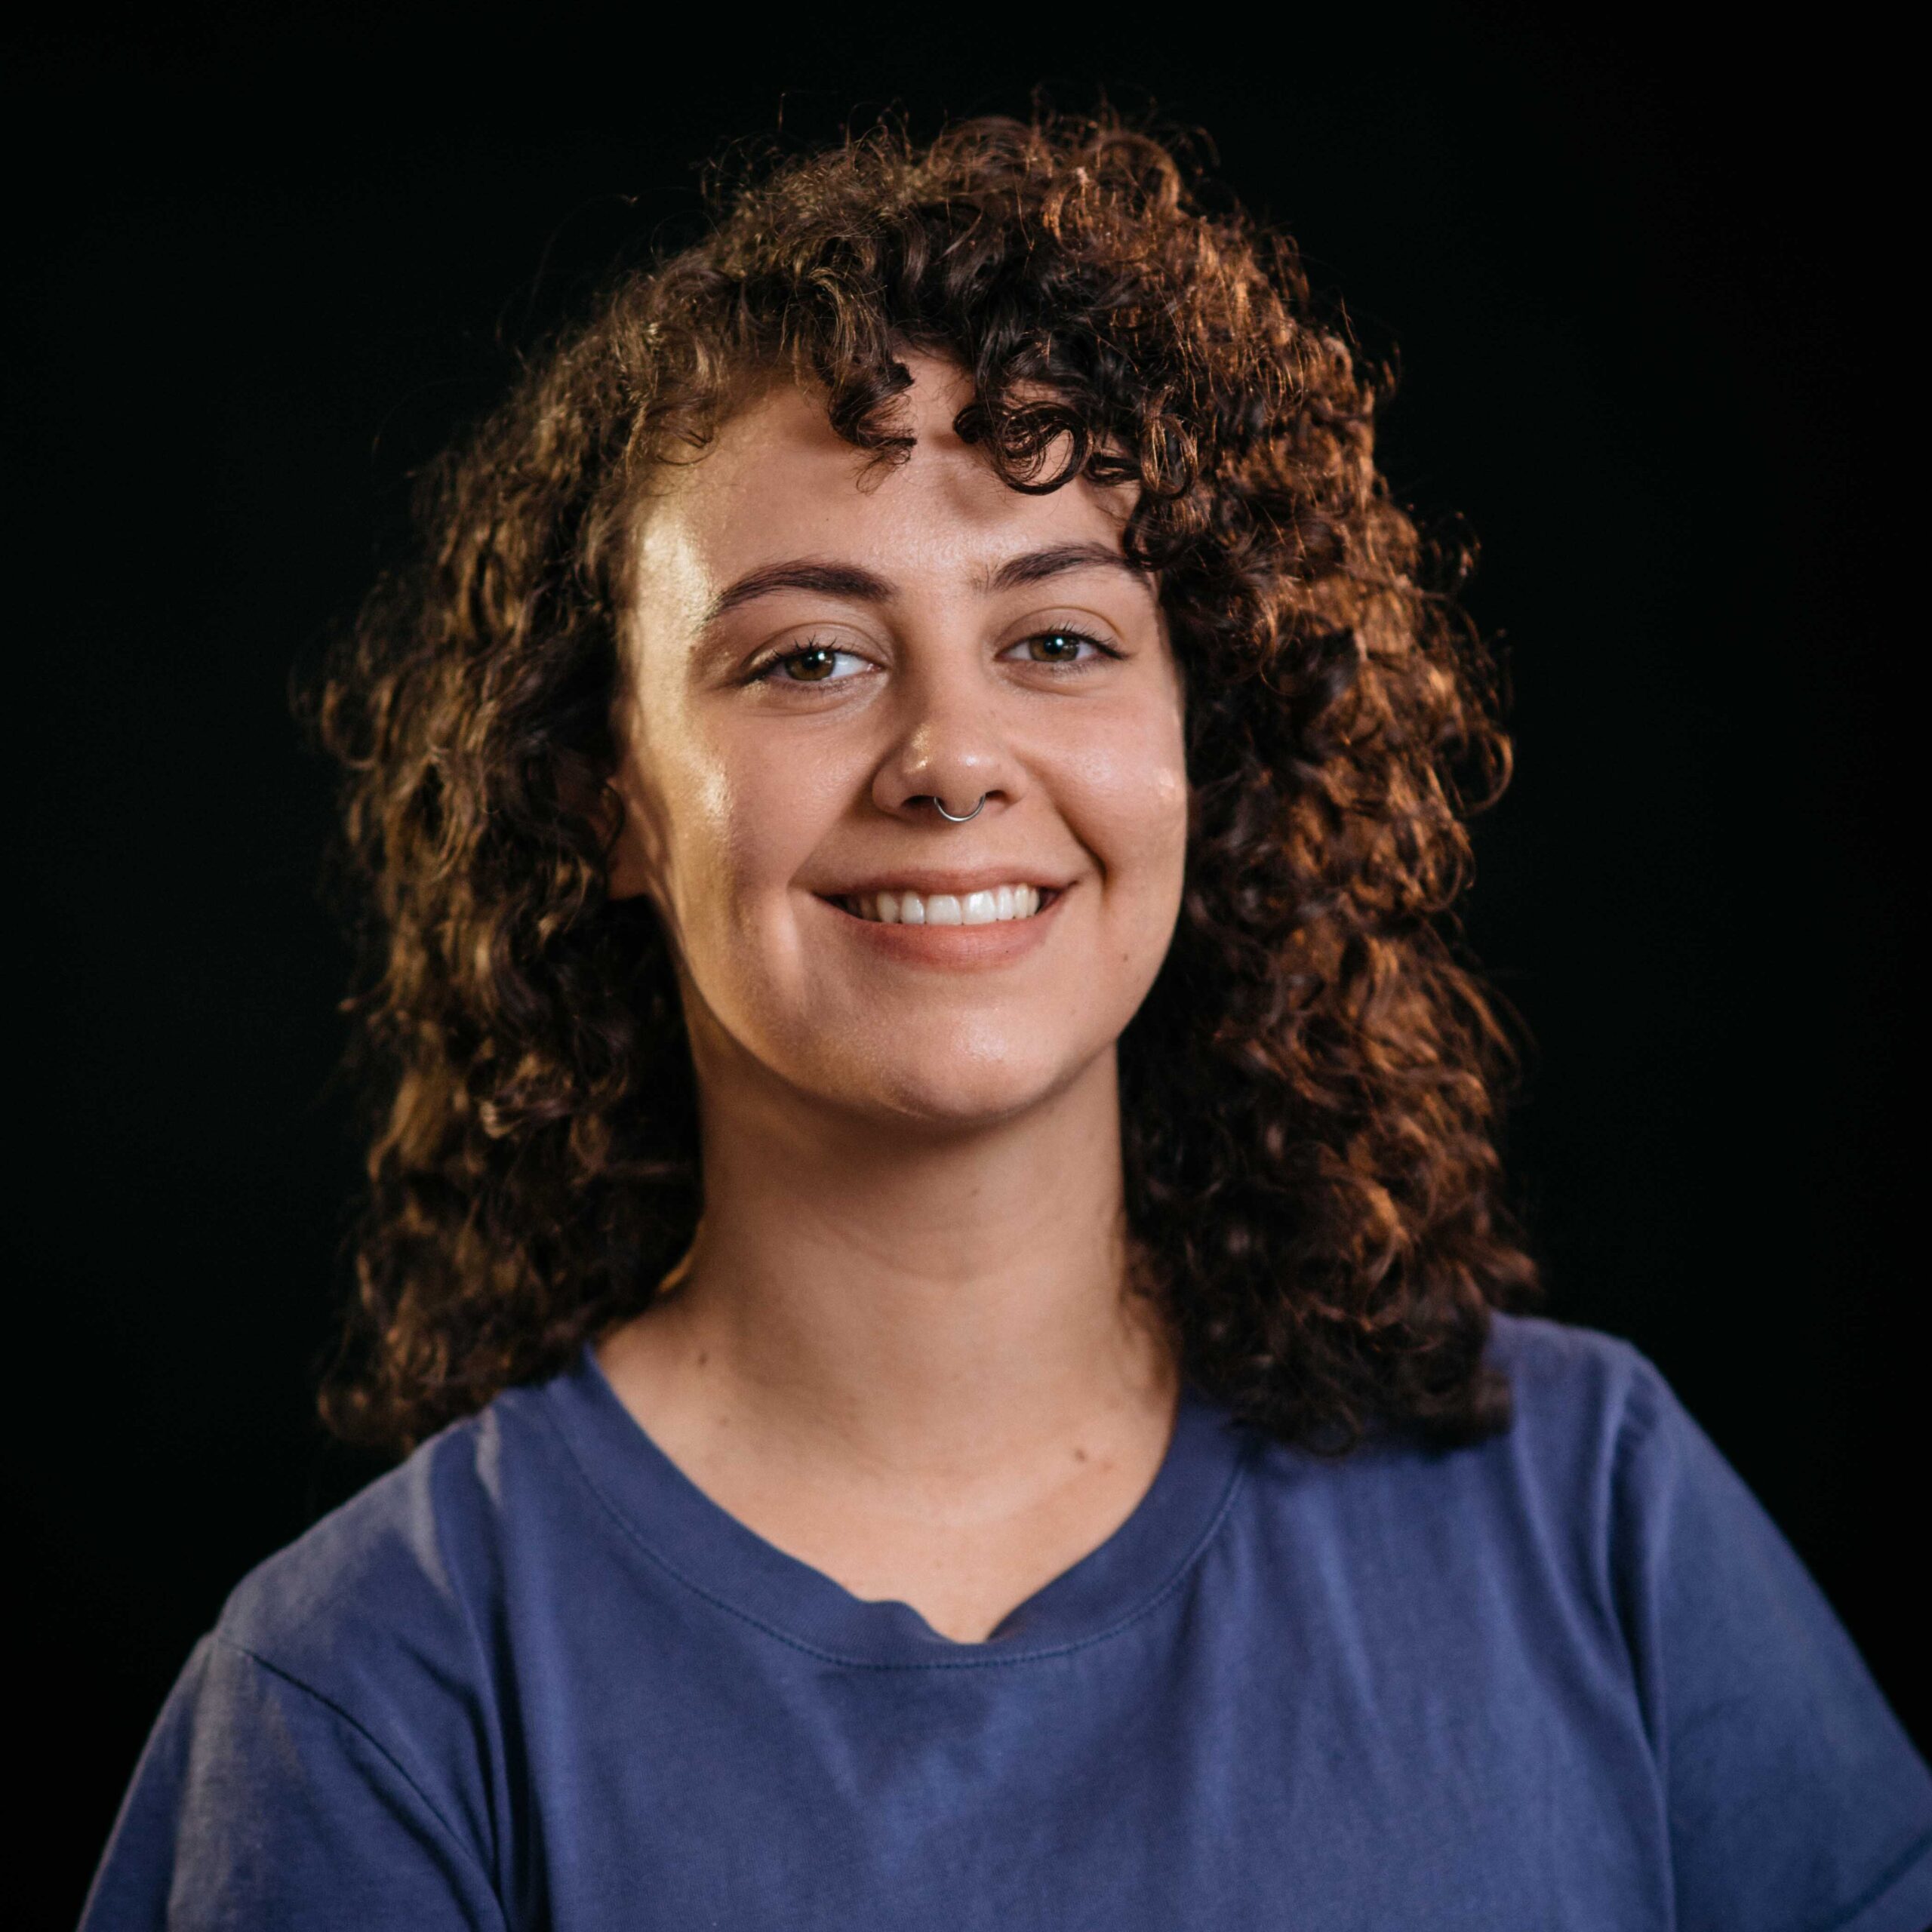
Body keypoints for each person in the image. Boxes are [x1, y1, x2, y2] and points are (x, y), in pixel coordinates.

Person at [81, 112, 1932, 1930]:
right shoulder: (373, 1698)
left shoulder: (1592, 1516)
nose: (952, 757)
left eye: (1057, 637)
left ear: (1195, 737)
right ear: (609, 803)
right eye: (808, 657)